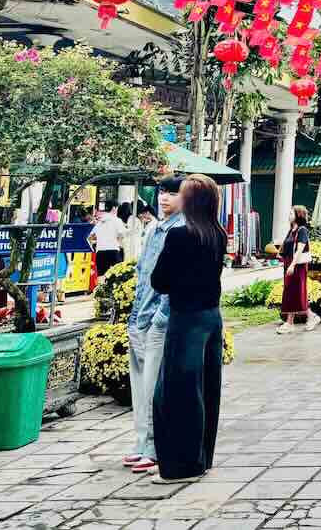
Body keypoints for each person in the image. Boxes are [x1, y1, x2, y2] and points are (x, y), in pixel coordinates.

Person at [150, 174, 226, 485]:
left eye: (180, 194)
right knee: (206, 389)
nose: (174, 198)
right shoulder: (218, 234)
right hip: (212, 318)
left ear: (190, 201)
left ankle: (182, 466)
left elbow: (159, 281)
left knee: (176, 393)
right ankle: (201, 458)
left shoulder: (179, 236)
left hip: (186, 320)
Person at [123, 176, 185, 477]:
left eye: (173, 193)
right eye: (162, 192)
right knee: (139, 387)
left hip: (157, 321)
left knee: (153, 388)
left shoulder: (181, 230)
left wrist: (160, 317)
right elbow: (142, 274)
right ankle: (141, 442)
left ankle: (153, 447)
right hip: (139, 316)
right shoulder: (154, 228)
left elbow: (173, 282)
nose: (165, 198)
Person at [278, 205, 320, 334]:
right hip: (290, 265)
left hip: (298, 266)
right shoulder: (291, 230)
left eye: (291, 213)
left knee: (296, 292)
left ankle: (298, 320)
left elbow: (300, 249)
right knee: (291, 292)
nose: (289, 216)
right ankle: (304, 318)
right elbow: (287, 247)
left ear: (298, 215)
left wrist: (292, 265)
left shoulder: (302, 230)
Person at [93, 203, 127, 277]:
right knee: (118, 276)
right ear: (114, 208)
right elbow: (122, 234)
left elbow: (91, 237)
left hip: (100, 251)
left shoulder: (99, 222)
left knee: (101, 277)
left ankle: (100, 289)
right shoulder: (117, 220)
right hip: (113, 250)